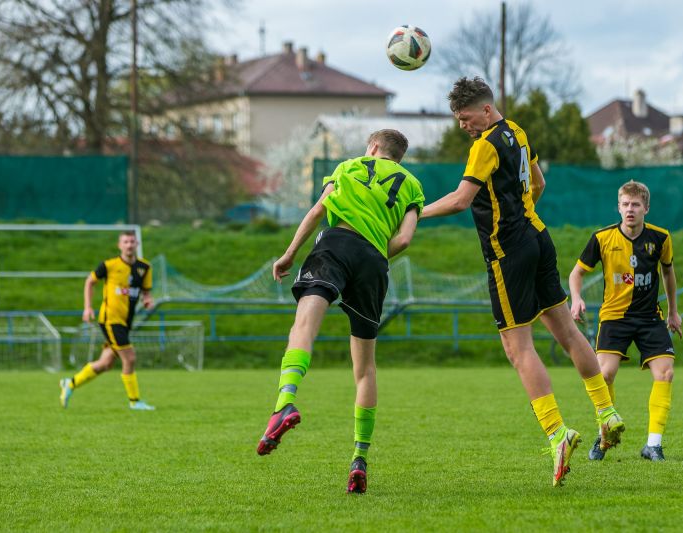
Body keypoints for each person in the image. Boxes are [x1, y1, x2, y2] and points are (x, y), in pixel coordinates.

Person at [420, 77, 624, 487]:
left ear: (485, 110)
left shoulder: (485, 145)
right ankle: (606, 411)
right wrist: (521, 219)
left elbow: (461, 200)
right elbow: (540, 184)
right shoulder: (517, 131)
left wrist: (414, 213)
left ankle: (557, 433)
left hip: (508, 253)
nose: (463, 127)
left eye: (464, 118)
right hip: (539, 239)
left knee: (518, 348)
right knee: (567, 331)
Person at [256, 129, 424, 494]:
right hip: (373, 262)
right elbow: (406, 239)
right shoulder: (412, 185)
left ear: (374, 148)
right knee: (364, 367)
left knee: (304, 324)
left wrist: (288, 254)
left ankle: (285, 402)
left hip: (335, 245)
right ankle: (359, 458)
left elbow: (318, 211)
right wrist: (377, 254)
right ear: (399, 157)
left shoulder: (348, 167)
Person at [569, 180, 681, 462]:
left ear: (646, 208)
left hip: (648, 318)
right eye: (625, 205)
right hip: (614, 318)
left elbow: (668, 274)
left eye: (635, 205)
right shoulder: (602, 238)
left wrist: (673, 312)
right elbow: (576, 274)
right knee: (604, 375)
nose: (630, 210)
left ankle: (653, 445)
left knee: (665, 372)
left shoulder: (660, 238)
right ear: (618, 207)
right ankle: (605, 436)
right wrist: (577, 298)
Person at [59, 230, 156, 411]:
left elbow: (146, 292)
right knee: (130, 357)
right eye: (125, 242)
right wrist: (87, 307)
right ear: (119, 245)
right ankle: (135, 401)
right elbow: (90, 281)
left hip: (126, 322)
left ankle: (70, 384)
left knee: (105, 364)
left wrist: (148, 299)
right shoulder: (109, 265)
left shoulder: (145, 268)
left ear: (137, 245)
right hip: (110, 319)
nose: (129, 245)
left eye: (132, 241)